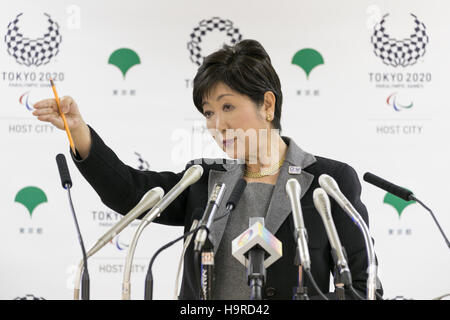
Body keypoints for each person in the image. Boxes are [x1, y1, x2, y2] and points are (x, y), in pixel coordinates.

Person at [32, 39, 383, 300]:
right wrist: (77, 130)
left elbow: (366, 281)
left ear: (268, 104)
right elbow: (129, 192)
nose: (217, 124)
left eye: (227, 106)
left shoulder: (328, 181)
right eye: (208, 113)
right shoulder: (204, 180)